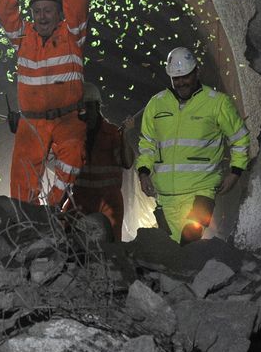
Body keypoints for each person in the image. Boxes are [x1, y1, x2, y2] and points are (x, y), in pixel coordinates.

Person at [136, 47, 250, 245]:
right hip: (166, 197)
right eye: (176, 79)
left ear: (197, 72)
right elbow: (147, 144)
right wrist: (143, 173)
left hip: (201, 191)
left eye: (186, 77)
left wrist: (235, 173)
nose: (181, 83)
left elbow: (239, 139)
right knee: (173, 253)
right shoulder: (156, 105)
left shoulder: (217, 103)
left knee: (189, 240)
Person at [0, 0, 89, 206]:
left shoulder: (72, 36)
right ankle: (30, 219)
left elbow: (78, 5)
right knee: (21, 180)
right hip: (32, 122)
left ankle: (55, 208)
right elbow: (4, 11)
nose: (42, 16)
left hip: (66, 119)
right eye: (37, 11)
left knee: (73, 152)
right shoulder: (23, 36)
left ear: (60, 13)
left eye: (48, 10)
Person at [66, 82, 135, 241]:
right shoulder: (72, 136)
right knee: (67, 241)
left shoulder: (111, 133)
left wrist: (125, 136)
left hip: (108, 202)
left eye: (87, 108)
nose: (83, 114)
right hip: (80, 200)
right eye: (80, 109)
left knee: (109, 248)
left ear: (97, 107)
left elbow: (128, 162)